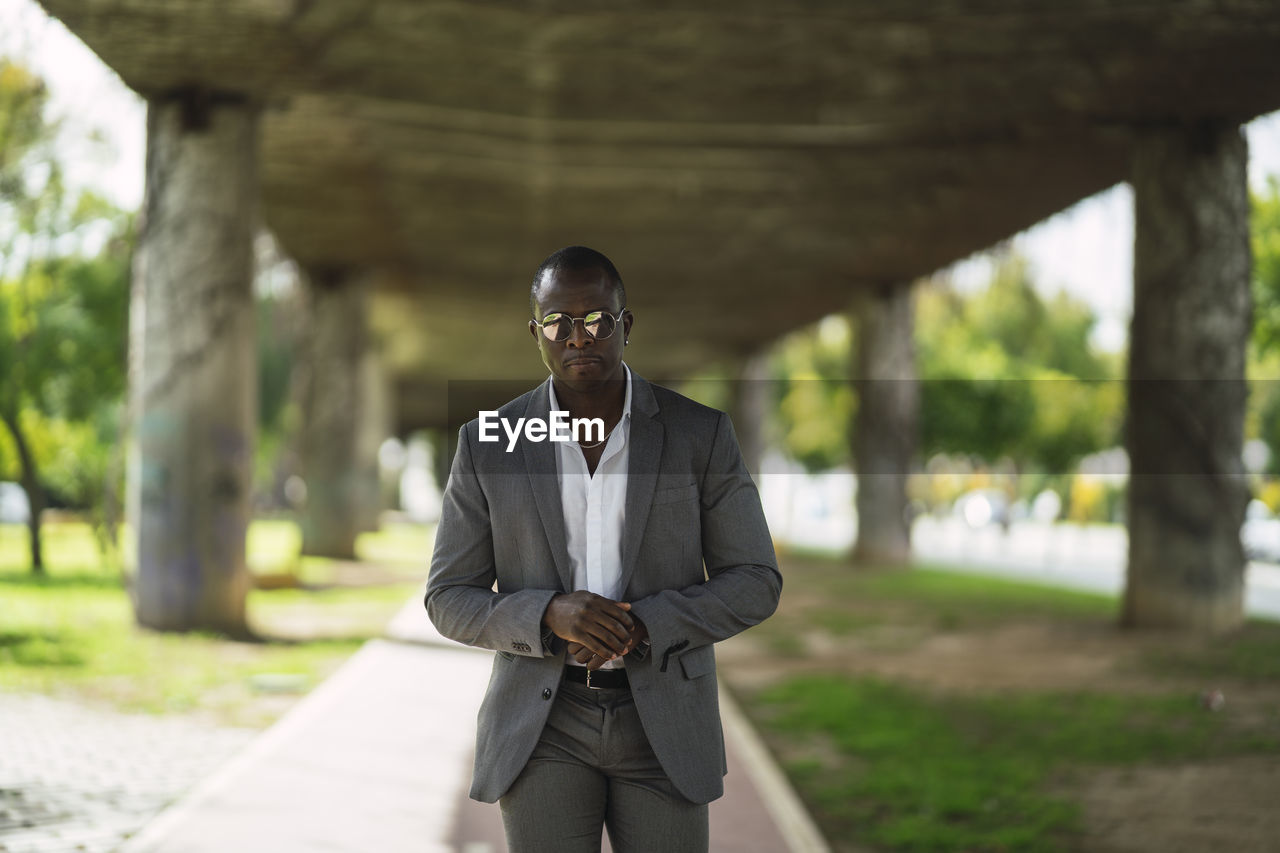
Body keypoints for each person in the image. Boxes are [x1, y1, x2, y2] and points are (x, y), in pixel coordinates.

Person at [425, 245, 781, 853]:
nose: (578, 338)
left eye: (596, 321)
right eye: (559, 323)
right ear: (535, 331)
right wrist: (546, 614)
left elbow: (755, 579)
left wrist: (646, 624)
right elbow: (447, 597)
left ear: (626, 324)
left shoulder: (699, 434)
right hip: (543, 721)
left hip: (664, 718)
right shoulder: (488, 445)